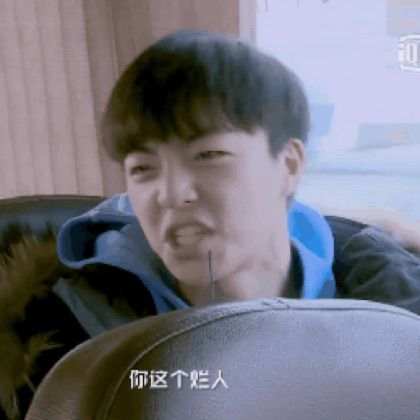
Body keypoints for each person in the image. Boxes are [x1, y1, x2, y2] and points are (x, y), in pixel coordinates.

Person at [1, 29, 420, 419]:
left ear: (289, 165)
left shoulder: (394, 310)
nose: (171, 194)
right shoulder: (64, 340)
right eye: (143, 168)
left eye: (208, 156)